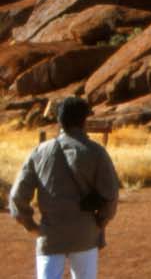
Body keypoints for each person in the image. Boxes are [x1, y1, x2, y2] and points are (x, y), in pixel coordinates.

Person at [9, 97, 118, 279]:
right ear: (84, 121)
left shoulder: (40, 152)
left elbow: (17, 197)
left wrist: (32, 227)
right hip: (85, 234)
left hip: (50, 235)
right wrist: (101, 222)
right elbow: (111, 195)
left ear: (59, 121)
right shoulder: (96, 152)